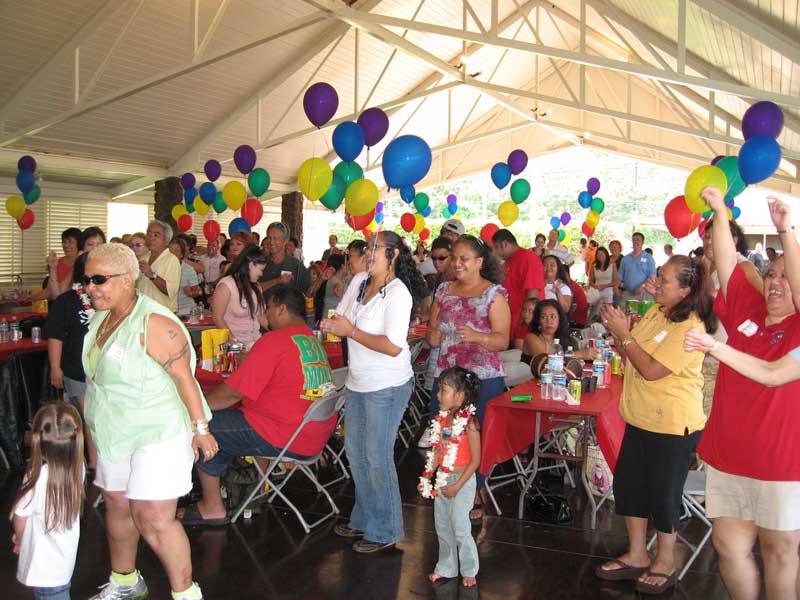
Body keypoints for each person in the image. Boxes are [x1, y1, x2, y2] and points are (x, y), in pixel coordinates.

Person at [683, 189, 800, 600]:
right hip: (730, 455)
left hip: (783, 462)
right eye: (771, 274)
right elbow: (727, 261)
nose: (775, 282)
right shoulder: (747, 310)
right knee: (729, 546)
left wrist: (785, 230)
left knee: (779, 550)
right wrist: (718, 212)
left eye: (786, 277)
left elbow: (770, 375)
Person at [82, 243, 214, 600]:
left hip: (160, 432)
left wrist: (201, 430)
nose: (90, 288)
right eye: (86, 280)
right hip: (115, 430)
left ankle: (186, 593)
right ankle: (125, 583)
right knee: (119, 506)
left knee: (154, 518)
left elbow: (185, 378)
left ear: (127, 279)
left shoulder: (154, 322)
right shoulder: (101, 319)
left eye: (98, 279)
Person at [595, 255, 717, 596]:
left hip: (673, 422)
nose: (655, 282)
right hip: (641, 416)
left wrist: (623, 334)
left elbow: (650, 369)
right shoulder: (656, 311)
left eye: (663, 279)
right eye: (658, 276)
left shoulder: (690, 327)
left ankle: (665, 559)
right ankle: (636, 553)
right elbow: (629, 352)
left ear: (686, 289)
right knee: (629, 485)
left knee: (663, 493)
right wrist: (619, 333)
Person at [182, 285, 335, 526]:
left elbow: (231, 395)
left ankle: (212, 506)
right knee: (226, 424)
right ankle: (253, 487)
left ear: (281, 308)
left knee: (204, 426)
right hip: (314, 434)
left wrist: (196, 408)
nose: (264, 317)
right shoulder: (310, 338)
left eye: (268, 310)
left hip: (285, 435)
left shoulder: (274, 341)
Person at [321, 231, 428, 553]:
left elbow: (395, 346)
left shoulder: (399, 294)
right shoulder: (360, 282)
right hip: (357, 382)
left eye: (375, 249)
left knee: (377, 457)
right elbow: (340, 315)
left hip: (388, 386)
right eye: (367, 248)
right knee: (356, 454)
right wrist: (333, 326)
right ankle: (364, 519)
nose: (368, 253)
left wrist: (350, 331)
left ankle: (386, 530)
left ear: (393, 255)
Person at [426, 234, 510, 523]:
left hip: (482, 379)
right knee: (446, 435)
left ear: (479, 262)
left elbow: (503, 339)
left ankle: (474, 491)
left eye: (464, 259)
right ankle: (448, 485)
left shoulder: (493, 294)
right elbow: (432, 331)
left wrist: (478, 337)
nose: (457, 264)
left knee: (475, 436)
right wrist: (433, 335)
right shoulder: (444, 291)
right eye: (454, 258)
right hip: (449, 378)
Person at [11, 403, 84, 600]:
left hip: (42, 566)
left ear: (37, 441)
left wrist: (20, 538)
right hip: (64, 563)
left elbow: (20, 515)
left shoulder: (36, 478)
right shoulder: (79, 470)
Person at [421, 367, 481, 588]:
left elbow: (475, 461)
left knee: (460, 525)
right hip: (443, 479)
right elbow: (438, 452)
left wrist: (457, 486)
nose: (438, 395)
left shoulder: (470, 424)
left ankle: (469, 568)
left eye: (443, 390)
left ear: (460, 396)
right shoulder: (442, 420)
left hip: (462, 481)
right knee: (443, 525)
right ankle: (446, 566)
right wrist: (427, 477)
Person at [44, 253, 97, 473]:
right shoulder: (67, 301)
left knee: (96, 416)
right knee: (90, 415)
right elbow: (55, 336)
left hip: (106, 371)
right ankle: (93, 463)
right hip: (76, 370)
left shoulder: (110, 299)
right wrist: (56, 368)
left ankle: (98, 463)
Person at [210, 246, 270, 349]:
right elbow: (217, 319)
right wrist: (235, 343)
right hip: (233, 345)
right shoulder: (226, 286)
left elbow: (261, 315)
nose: (261, 274)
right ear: (251, 265)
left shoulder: (256, 287)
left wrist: (276, 330)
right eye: (261, 270)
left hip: (254, 341)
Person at [491, 229, 544, 326]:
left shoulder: (529, 258)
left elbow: (533, 294)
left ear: (504, 244)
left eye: (496, 247)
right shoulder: (507, 261)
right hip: (509, 320)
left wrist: (524, 323)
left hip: (521, 323)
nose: (494, 252)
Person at [521, 300, 598, 364]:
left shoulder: (562, 338)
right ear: (538, 320)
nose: (549, 321)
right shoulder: (531, 337)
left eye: (553, 316)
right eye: (544, 317)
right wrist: (580, 354)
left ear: (559, 319)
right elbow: (545, 361)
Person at [136, 220, 182, 313]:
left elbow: (170, 291)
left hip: (162, 315)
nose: (151, 238)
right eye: (149, 233)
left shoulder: (172, 260)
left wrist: (151, 275)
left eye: (156, 235)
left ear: (166, 241)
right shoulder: (144, 258)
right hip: (143, 312)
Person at [259, 222, 310, 295]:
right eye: (269, 238)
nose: (271, 242)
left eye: (275, 238)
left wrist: (320, 279)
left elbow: (308, 292)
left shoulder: (295, 265)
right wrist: (276, 281)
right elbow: (251, 290)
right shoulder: (260, 262)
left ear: (285, 241)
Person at [616, 232, 656, 304]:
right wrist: (616, 287)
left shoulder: (649, 259)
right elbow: (619, 277)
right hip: (627, 292)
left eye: (638, 240)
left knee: (641, 314)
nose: (635, 242)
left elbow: (652, 277)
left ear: (643, 242)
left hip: (644, 293)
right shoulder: (625, 259)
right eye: (634, 240)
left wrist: (642, 286)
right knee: (625, 312)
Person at [169, 238, 201, 318]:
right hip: (166, 309)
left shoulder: (188, 270)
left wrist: (191, 293)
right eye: (170, 250)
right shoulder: (163, 267)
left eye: (176, 250)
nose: (172, 253)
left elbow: (197, 291)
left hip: (184, 310)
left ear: (182, 254)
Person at [588, 246, 616, 320]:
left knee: (609, 314)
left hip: (608, 292)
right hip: (597, 291)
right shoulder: (594, 266)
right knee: (595, 313)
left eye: (602, 254)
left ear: (606, 255)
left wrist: (605, 286)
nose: (600, 256)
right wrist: (596, 286)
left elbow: (615, 282)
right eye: (598, 254)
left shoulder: (612, 265)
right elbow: (590, 281)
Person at [320, 254, 347, 319]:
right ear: (343, 266)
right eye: (347, 265)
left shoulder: (337, 280)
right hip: (331, 317)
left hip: (331, 316)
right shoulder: (335, 281)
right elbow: (338, 292)